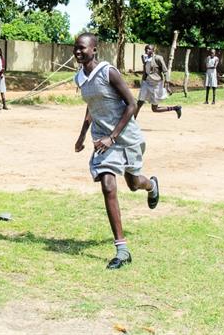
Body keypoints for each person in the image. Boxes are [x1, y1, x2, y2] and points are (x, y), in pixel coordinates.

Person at [73, 33, 159, 270]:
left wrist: (114, 137)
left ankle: (151, 185)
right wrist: (82, 136)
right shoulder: (79, 77)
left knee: (133, 183)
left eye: (82, 48)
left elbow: (132, 104)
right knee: (108, 185)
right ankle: (122, 250)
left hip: (125, 135)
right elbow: (91, 108)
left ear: (94, 49)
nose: (78, 52)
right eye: (75, 48)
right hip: (102, 138)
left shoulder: (108, 71)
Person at [135, 44, 181, 119]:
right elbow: (146, 70)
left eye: (149, 49)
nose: (147, 50)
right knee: (139, 102)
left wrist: (167, 85)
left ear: (153, 50)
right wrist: (143, 81)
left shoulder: (158, 58)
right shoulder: (144, 57)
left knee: (154, 109)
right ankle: (132, 122)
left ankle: (175, 108)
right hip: (146, 83)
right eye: (146, 49)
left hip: (157, 84)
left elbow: (165, 71)